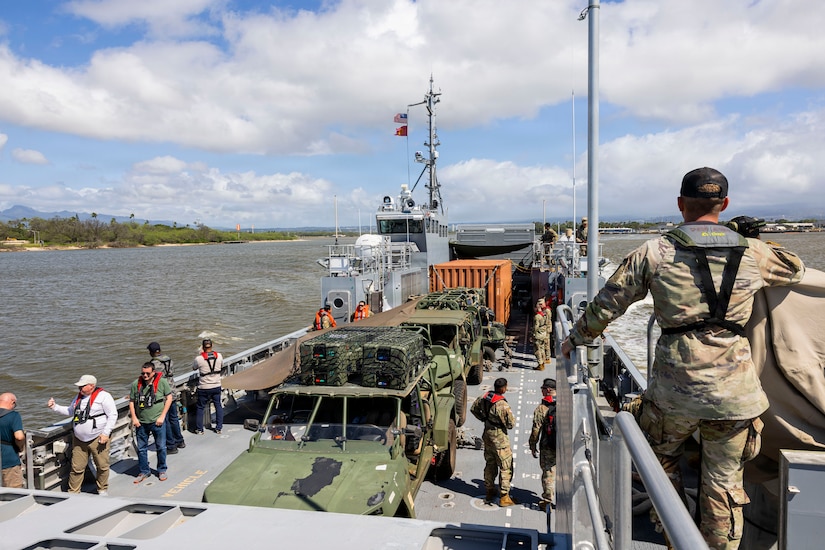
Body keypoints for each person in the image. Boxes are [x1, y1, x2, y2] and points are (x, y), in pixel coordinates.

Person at [561, 167, 805, 549]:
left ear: (680, 205)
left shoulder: (654, 251)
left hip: (674, 393)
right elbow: (795, 269)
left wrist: (574, 339)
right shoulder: (753, 252)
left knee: (661, 468)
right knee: (723, 486)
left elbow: (608, 305)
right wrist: (749, 237)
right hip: (734, 395)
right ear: (724, 204)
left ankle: (674, 536)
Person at [48, 375, 117, 494]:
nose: (79, 388)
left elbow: (112, 415)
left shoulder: (104, 397)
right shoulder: (78, 398)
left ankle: (102, 489)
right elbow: (71, 411)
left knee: (102, 465)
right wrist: (55, 407)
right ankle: (73, 492)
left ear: (92, 386)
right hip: (79, 439)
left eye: (82, 385)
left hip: (98, 437)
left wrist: (106, 433)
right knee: (77, 467)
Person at [470, 377, 516, 507]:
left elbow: (473, 409)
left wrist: (484, 418)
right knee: (506, 466)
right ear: (503, 388)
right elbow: (511, 424)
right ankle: (504, 496)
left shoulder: (485, 397)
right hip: (500, 437)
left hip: (487, 434)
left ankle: (489, 490)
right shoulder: (503, 405)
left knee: (490, 462)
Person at [129, 362, 173, 483]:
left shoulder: (162, 382)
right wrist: (134, 418)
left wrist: (162, 416)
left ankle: (162, 469)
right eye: (143, 373)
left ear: (153, 372)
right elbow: (132, 401)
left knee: (161, 447)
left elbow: (169, 398)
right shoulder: (136, 384)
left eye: (148, 373)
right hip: (141, 422)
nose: (145, 375)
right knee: (142, 448)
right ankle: (144, 471)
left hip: (157, 421)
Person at [148, 342, 185, 454]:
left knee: (166, 420)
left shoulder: (154, 364)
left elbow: (153, 379)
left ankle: (171, 445)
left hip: (163, 394)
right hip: (172, 390)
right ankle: (180, 440)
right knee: (174, 418)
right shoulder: (168, 360)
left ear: (151, 352)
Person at [529, 378, 557, 511]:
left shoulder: (542, 408)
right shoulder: (565, 403)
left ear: (549, 390)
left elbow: (536, 429)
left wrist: (532, 445)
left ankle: (547, 501)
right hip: (565, 445)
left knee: (548, 473)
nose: (541, 390)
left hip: (548, 445)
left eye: (543, 388)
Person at [193, 338, 224, 435]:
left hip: (204, 387)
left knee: (200, 407)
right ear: (212, 346)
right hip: (216, 385)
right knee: (218, 405)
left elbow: (194, 368)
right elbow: (221, 366)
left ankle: (200, 429)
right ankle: (218, 428)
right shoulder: (219, 356)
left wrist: (200, 354)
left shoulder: (199, 358)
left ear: (202, 347)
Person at [0, 393, 24, 488]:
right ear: (12, 402)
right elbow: (19, 437)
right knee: (14, 492)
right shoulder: (14, 416)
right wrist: (20, 447)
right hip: (9, 459)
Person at [532, 299, 549, 370]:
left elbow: (536, 327)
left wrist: (533, 334)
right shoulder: (545, 314)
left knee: (537, 350)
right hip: (543, 334)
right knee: (542, 348)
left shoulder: (537, 317)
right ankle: (544, 361)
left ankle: (540, 364)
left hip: (538, 335)